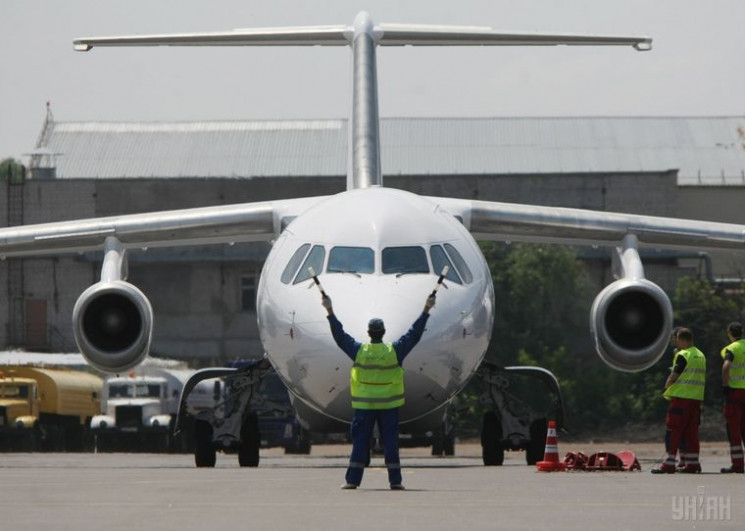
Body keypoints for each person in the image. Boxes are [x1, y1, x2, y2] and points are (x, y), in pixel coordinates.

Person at [322, 292, 436, 490]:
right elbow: (414, 334)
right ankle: (396, 481)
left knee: (360, 442)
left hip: (364, 405)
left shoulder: (359, 351)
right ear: (383, 332)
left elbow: (339, 336)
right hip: (389, 405)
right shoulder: (394, 351)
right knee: (391, 443)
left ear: (368, 332)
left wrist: (329, 310)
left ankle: (352, 481)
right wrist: (426, 309)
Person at [651, 327, 706, 474]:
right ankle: (693, 464)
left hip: (681, 399)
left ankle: (669, 464)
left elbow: (674, 375)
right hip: (695, 400)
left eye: (676, 339)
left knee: (673, 431)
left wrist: (667, 385)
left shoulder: (684, 354)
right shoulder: (700, 355)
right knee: (692, 433)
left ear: (682, 339)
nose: (675, 342)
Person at [720, 322, 745, 474]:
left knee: (734, 429)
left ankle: (738, 464)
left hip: (735, 393)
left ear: (729, 333)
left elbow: (726, 367)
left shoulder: (732, 349)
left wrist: (725, 385)